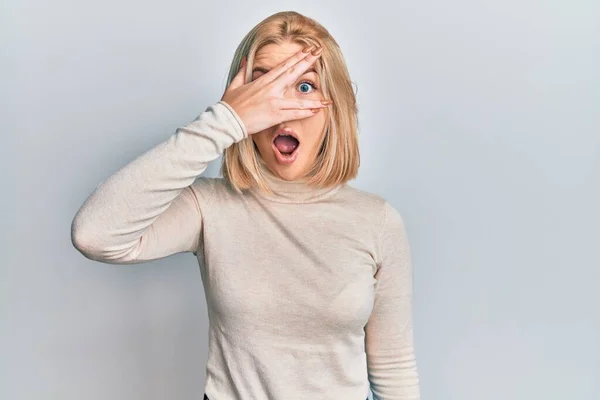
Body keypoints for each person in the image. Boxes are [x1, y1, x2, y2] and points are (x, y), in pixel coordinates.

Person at [71, 10, 420, 400]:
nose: (282, 108)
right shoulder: (210, 206)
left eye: (304, 87)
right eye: (265, 86)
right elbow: (95, 235)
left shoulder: (378, 221)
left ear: (333, 106)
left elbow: (393, 367)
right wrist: (224, 121)